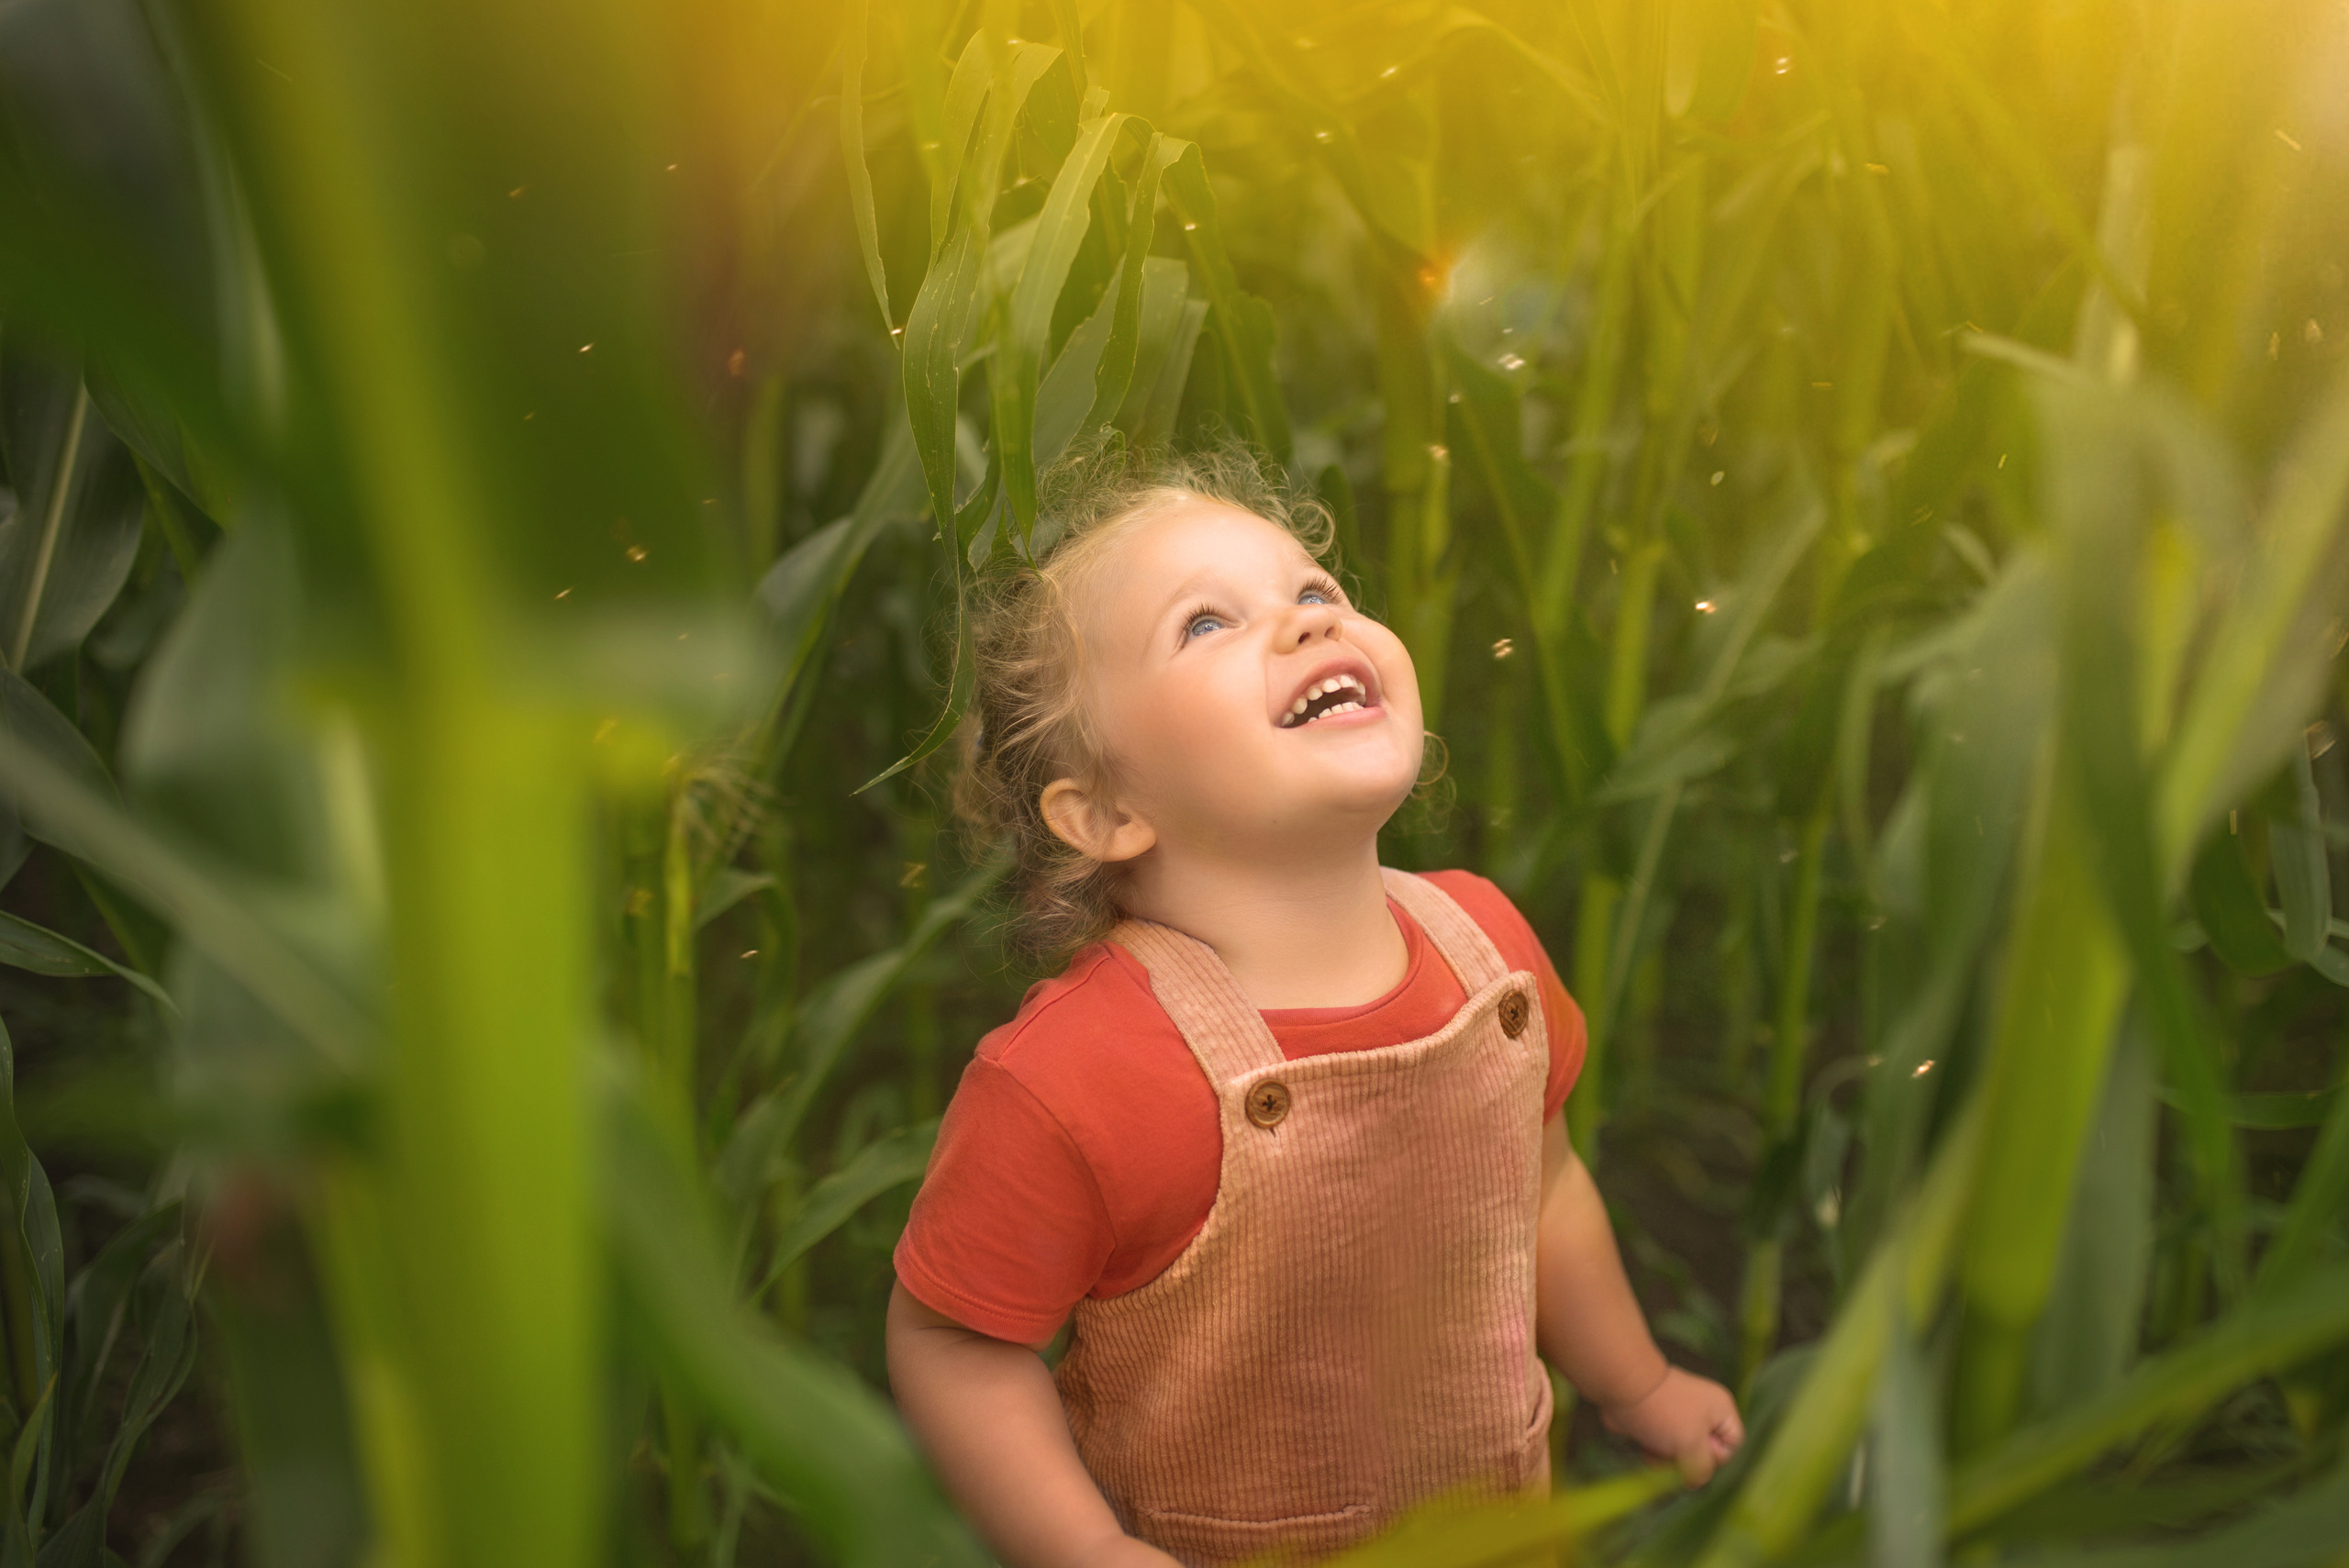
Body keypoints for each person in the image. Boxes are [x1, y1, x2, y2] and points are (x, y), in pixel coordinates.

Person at [885, 446, 1742, 1568]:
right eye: (1204, 623)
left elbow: (1543, 1187)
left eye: (1315, 592)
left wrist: (1639, 1380)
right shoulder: (1076, 1074)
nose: (1305, 624)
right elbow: (954, 1339)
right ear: (1101, 810)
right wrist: (1083, 1545)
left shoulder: (1491, 955)